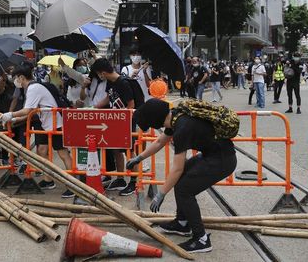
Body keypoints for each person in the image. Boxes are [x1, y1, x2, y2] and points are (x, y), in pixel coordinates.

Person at [126, 99, 236, 253]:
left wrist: (161, 194)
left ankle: (201, 239)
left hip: (221, 160)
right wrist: (139, 158)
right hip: (213, 155)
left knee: (185, 189)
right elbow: (159, 142)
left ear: (155, 120)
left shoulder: (182, 128)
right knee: (182, 179)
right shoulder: (176, 117)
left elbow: (177, 168)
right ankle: (182, 223)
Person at [0, 64, 74, 198]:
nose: (16, 81)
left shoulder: (33, 88)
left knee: (63, 154)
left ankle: (73, 185)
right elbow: (30, 111)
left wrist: (10, 115)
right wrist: (15, 120)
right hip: (47, 124)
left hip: (55, 123)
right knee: (41, 151)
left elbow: (27, 110)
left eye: (16, 78)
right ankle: (48, 180)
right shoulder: (32, 88)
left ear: (22, 78)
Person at [91, 58, 138, 196]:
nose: (99, 76)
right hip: (114, 123)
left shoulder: (122, 83)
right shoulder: (110, 83)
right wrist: (94, 107)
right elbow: (108, 98)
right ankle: (120, 178)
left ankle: (133, 182)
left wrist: (123, 120)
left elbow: (131, 105)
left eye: (99, 73)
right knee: (117, 150)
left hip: (126, 123)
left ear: (103, 72)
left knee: (130, 152)